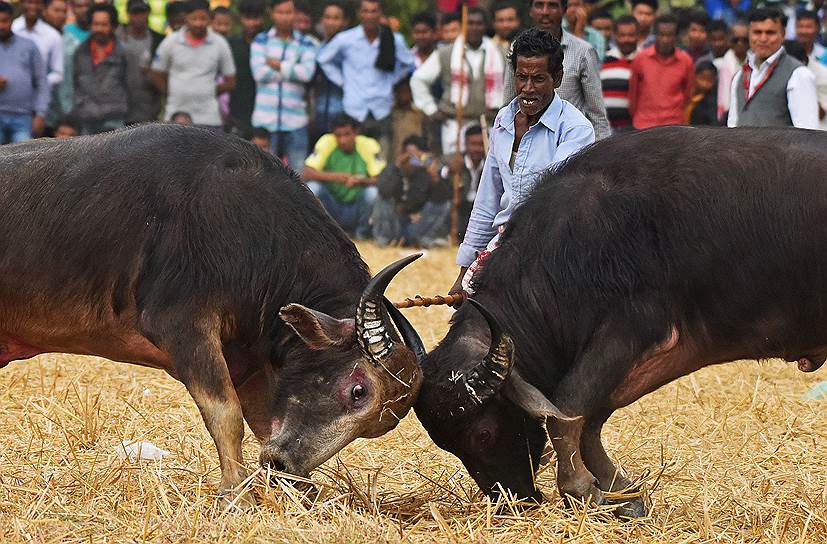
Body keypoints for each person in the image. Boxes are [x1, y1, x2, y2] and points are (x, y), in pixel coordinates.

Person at [449, 28, 595, 299]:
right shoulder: (504, 120)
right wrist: (465, 270)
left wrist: (491, 257)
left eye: (538, 79)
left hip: (553, 248)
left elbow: (549, 203)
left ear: (557, 78)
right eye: (522, 78)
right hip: (506, 244)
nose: (528, 89)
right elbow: (487, 199)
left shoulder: (577, 129)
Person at [317, 0, 415, 156]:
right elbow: (323, 59)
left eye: (374, 11)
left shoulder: (393, 39)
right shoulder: (346, 39)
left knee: (382, 157)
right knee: (355, 157)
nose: (370, 15)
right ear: (359, 14)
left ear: (380, 13)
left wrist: (391, 81)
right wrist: (343, 82)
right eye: (366, 11)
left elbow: (409, 64)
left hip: (382, 107)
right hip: (355, 108)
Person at [504, 0, 610, 140]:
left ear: (564, 10)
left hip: (570, 143)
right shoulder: (517, 49)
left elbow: (598, 116)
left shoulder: (583, 52)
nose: (545, 12)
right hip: (527, 144)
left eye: (552, 5)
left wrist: (602, 156)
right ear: (530, 10)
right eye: (539, 5)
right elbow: (509, 106)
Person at [411, 7, 506, 154]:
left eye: (478, 23)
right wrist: (431, 109)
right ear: (463, 25)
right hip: (455, 124)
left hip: (490, 124)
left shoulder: (500, 53)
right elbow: (418, 80)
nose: (474, 27)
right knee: (456, 170)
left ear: (486, 26)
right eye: (470, 23)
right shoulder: (446, 53)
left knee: (489, 171)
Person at [250, 0, 317, 172]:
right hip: (265, 119)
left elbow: (307, 74)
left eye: (289, 12)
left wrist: (278, 65)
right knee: (263, 174)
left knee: (298, 176)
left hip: (295, 120)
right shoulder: (261, 40)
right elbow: (259, 73)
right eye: (281, 12)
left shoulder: (306, 43)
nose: (285, 17)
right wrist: (292, 68)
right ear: (271, 13)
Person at [727, 8, 818, 128]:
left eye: (770, 33)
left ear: (783, 35)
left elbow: (808, 134)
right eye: (757, 32)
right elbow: (732, 128)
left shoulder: (798, 74)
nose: (763, 39)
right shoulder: (739, 76)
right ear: (749, 34)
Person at [151, 0, 236, 129]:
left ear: (210, 18)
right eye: (194, 18)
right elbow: (156, 73)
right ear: (185, 17)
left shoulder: (219, 43)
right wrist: (171, 92)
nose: (198, 23)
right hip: (175, 116)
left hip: (209, 118)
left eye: (203, 19)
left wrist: (208, 91)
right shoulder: (171, 41)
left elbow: (231, 81)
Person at [303, 114, 385, 240]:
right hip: (332, 206)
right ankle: (323, 234)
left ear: (356, 133)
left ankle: (362, 234)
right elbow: (306, 173)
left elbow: (382, 179)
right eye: (338, 135)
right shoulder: (327, 141)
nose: (343, 140)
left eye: (347, 134)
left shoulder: (368, 145)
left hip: (357, 207)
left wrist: (362, 181)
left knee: (372, 193)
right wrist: (336, 177)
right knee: (313, 188)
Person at [372, 135, 451, 248]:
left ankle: (426, 240)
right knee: (382, 198)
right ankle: (385, 241)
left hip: (416, 226)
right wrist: (397, 166)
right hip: (395, 224)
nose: (412, 161)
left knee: (444, 204)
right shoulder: (394, 169)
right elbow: (383, 190)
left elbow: (442, 200)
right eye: (409, 156)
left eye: (417, 157)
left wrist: (434, 176)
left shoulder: (425, 174)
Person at [71, 3, 130, 134]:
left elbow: (131, 85)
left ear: (113, 26)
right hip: (87, 119)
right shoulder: (80, 52)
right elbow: (74, 84)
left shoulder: (124, 52)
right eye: (96, 24)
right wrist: (81, 106)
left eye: (104, 25)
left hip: (114, 119)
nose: (99, 29)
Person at [629, 14, 694, 129]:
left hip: (673, 126)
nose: (665, 40)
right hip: (644, 125)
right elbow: (633, 95)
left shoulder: (686, 61)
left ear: (676, 36)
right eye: (661, 35)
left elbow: (687, 96)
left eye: (670, 35)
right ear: (655, 35)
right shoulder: (641, 59)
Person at [0, 0, 49, 143]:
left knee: (25, 162)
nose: (1, 26)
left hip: (23, 118)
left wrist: (40, 114)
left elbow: (42, 81)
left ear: (12, 20)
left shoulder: (29, 46)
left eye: (4, 21)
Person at [116, 0, 163, 124]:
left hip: (149, 108)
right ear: (128, 14)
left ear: (148, 13)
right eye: (134, 13)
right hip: (121, 108)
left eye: (142, 12)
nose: (139, 17)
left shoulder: (159, 40)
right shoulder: (118, 38)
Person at [309, 0, 348, 145]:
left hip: (343, 117)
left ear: (344, 22)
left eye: (336, 18)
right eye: (327, 17)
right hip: (319, 115)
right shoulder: (317, 47)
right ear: (322, 20)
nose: (331, 22)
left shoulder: (350, 50)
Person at [439, 124, 486, 241]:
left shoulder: (491, 163)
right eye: (473, 144)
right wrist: (449, 169)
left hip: (480, 209)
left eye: (480, 145)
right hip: (459, 207)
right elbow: (435, 168)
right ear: (465, 144)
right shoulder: (453, 160)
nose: (477, 149)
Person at [228, 0, 264, 138]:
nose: (252, 23)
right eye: (247, 18)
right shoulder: (232, 45)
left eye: (255, 18)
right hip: (238, 112)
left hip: (264, 111)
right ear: (241, 19)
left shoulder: (269, 44)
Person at [12, 0, 63, 90]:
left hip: (40, 97)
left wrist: (41, 82)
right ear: (22, 4)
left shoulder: (53, 36)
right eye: (30, 2)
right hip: (11, 95)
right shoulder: (11, 29)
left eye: (37, 3)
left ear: (43, 6)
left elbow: (58, 72)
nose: (33, 7)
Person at [600, 15, 638, 132]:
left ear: (638, 35)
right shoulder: (602, 59)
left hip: (635, 130)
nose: (626, 39)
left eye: (631, 35)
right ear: (615, 36)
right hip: (606, 130)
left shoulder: (644, 61)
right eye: (622, 35)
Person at [390, 77, 429, 162]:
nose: (403, 95)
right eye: (399, 92)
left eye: (405, 92)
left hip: (417, 159)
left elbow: (428, 139)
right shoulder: (391, 115)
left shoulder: (419, 115)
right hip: (396, 159)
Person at [716, 20, 747, 120]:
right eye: (736, 40)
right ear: (729, 40)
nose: (740, 43)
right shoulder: (718, 65)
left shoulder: (756, 62)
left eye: (744, 40)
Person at [684, 60, 718, 125]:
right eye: (702, 78)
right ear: (695, 76)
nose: (705, 84)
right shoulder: (686, 94)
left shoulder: (711, 103)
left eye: (709, 80)